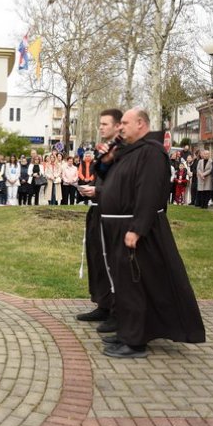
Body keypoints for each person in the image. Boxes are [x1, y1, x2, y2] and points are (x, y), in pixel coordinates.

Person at [97, 108, 205, 358]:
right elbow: (104, 177)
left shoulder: (152, 153)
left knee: (135, 286)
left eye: (125, 123)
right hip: (118, 226)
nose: (120, 127)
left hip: (135, 229)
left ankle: (135, 342)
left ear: (141, 124)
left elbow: (149, 193)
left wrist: (137, 228)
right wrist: (106, 160)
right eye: (120, 122)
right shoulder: (128, 151)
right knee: (124, 286)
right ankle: (127, 331)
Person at [76, 108, 122, 333]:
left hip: (112, 214)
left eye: (105, 124)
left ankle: (116, 310)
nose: (100, 128)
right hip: (97, 210)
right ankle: (102, 303)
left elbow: (121, 184)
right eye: (100, 124)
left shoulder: (121, 151)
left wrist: (99, 192)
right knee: (95, 257)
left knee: (109, 261)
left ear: (117, 126)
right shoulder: (105, 150)